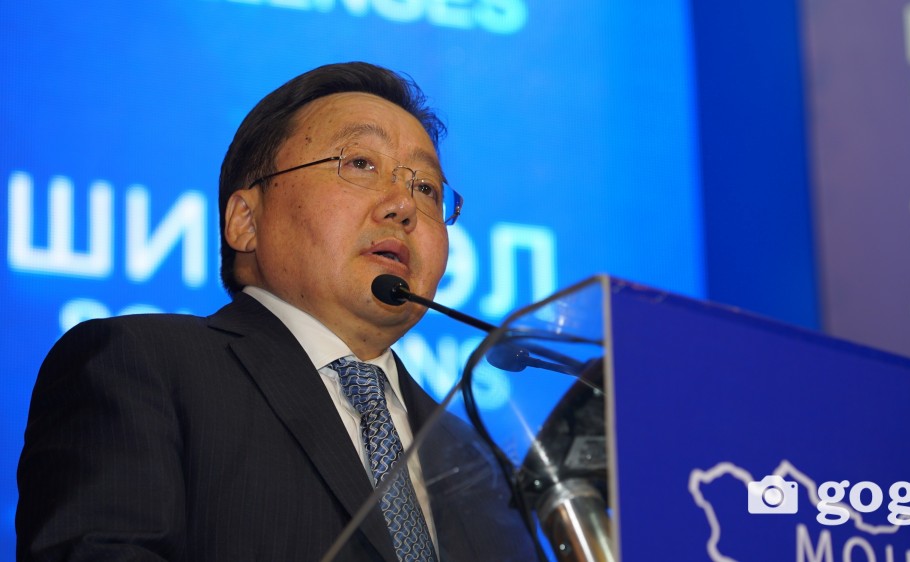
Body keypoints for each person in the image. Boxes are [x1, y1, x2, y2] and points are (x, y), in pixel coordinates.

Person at [17, 62, 536, 561]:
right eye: (360, 163)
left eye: (426, 188)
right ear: (246, 221)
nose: (403, 205)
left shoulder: (475, 461)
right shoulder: (142, 367)